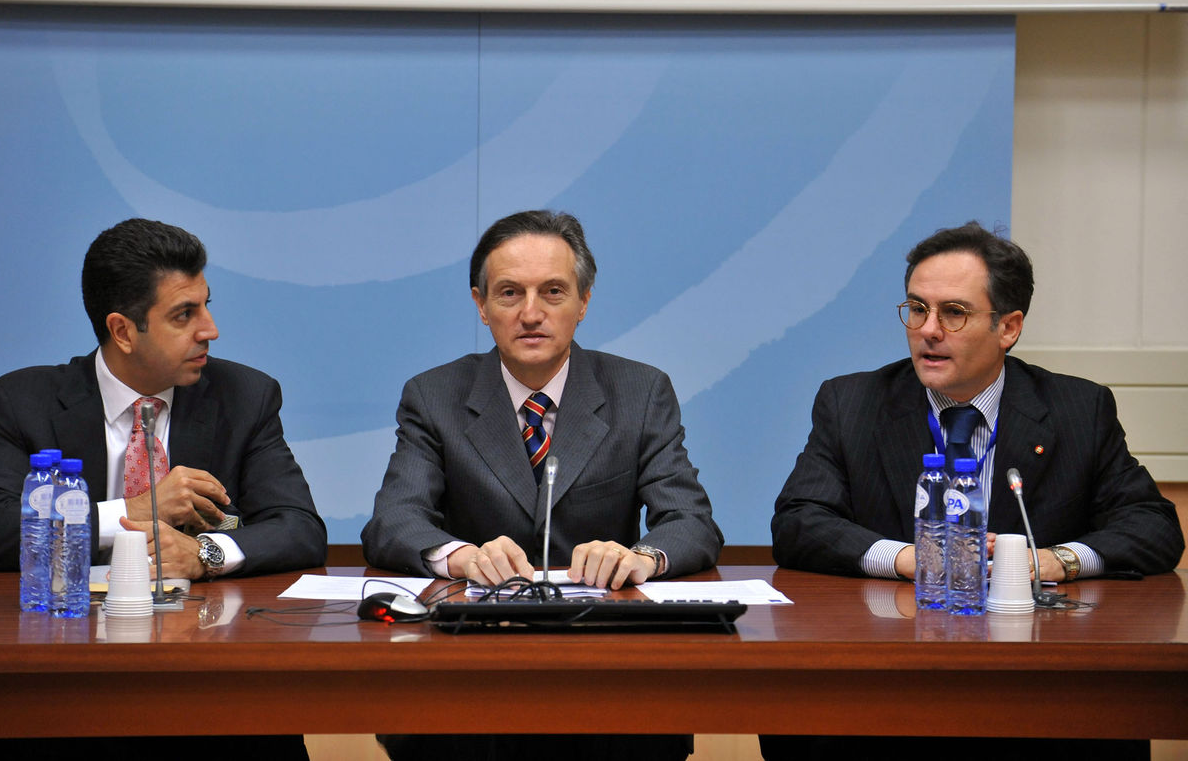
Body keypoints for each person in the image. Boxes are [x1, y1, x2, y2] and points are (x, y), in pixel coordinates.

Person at [765, 221, 1183, 761]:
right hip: (887, 679)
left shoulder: (1078, 408)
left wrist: (1053, 561)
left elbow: (1153, 526)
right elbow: (799, 521)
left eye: (953, 313)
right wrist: (909, 558)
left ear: (1008, 327)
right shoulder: (853, 403)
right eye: (917, 309)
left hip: (1034, 683)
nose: (928, 330)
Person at [0, 218, 324, 761]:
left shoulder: (245, 397)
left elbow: (300, 528)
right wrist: (132, 511)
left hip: (208, 678)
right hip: (64, 674)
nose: (210, 330)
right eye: (184, 315)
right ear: (123, 331)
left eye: (206, 305)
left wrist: (204, 553)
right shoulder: (25, 402)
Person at [362, 209, 722, 761]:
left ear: (584, 302)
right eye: (509, 294)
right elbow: (393, 521)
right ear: (481, 306)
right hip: (470, 662)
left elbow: (691, 522)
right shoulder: (434, 396)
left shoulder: (640, 391)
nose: (531, 314)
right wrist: (460, 556)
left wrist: (640, 557)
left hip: (604, 662)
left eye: (553, 292)